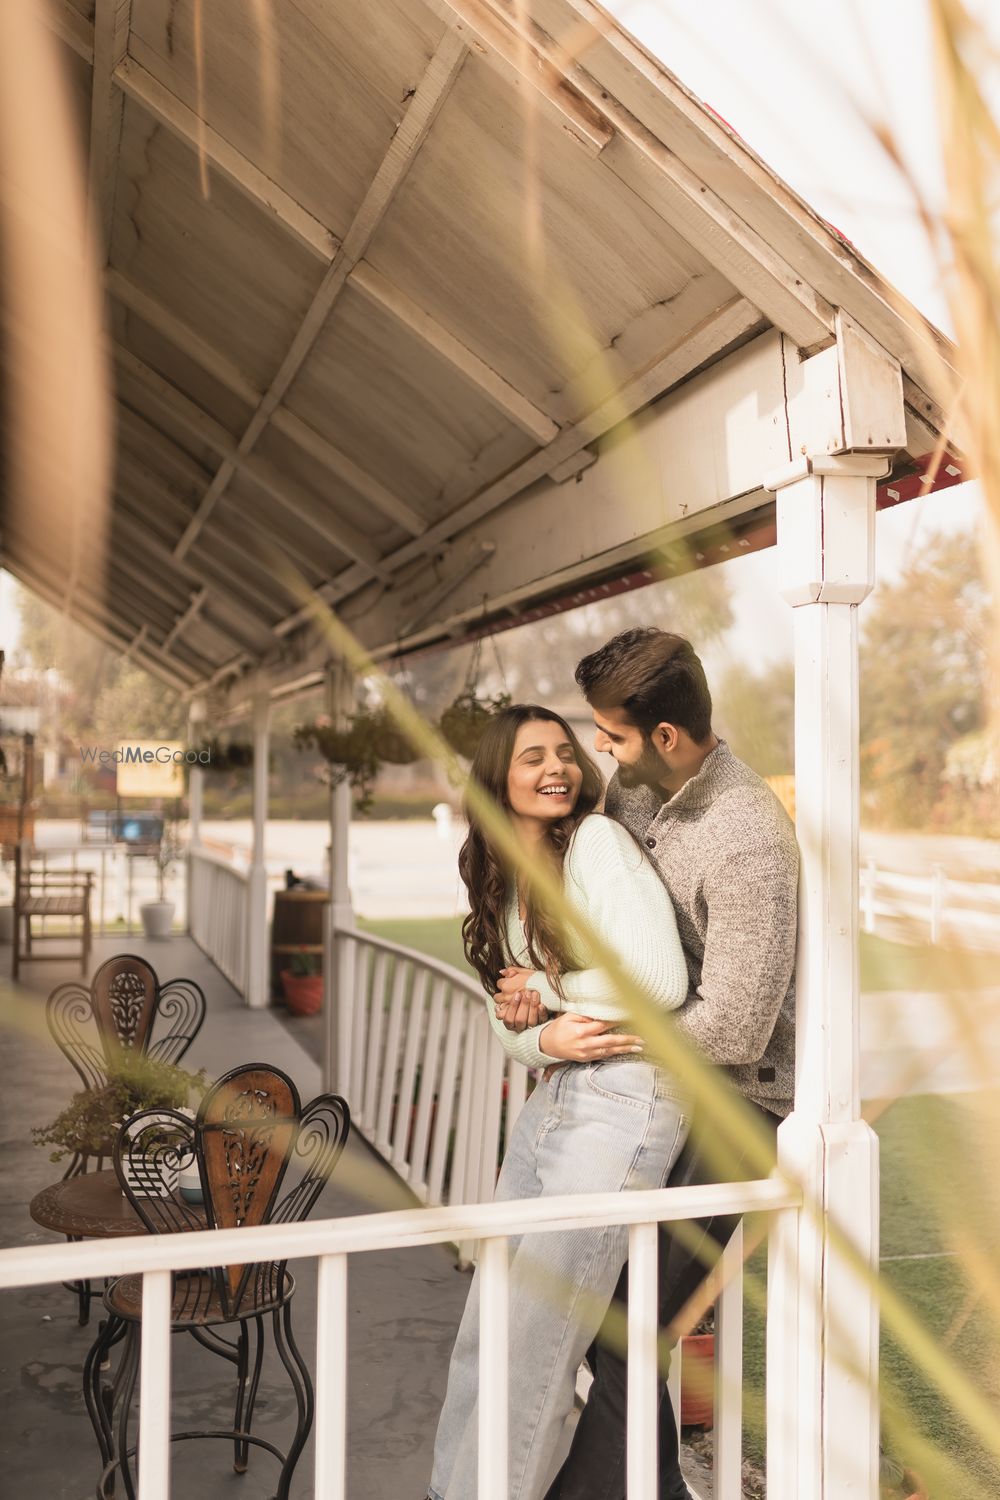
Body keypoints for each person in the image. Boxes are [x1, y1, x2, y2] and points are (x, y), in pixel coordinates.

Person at [535, 628, 799, 1500]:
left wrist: (592, 1019)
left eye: (609, 737)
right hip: (652, 1091)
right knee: (598, 1312)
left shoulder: (747, 837)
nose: (597, 753)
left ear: (668, 737)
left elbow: (735, 1029)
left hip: (735, 1110)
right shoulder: (635, 792)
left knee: (627, 1321)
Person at [427, 704, 694, 1500]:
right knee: (488, 1326)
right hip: (558, 1098)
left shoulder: (597, 844)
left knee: (537, 1337)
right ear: (498, 783)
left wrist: (548, 991)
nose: (556, 768)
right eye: (530, 757)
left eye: (563, 752)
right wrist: (544, 1040)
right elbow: (503, 1013)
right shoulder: (507, 873)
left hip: (630, 1098)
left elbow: (659, 981)